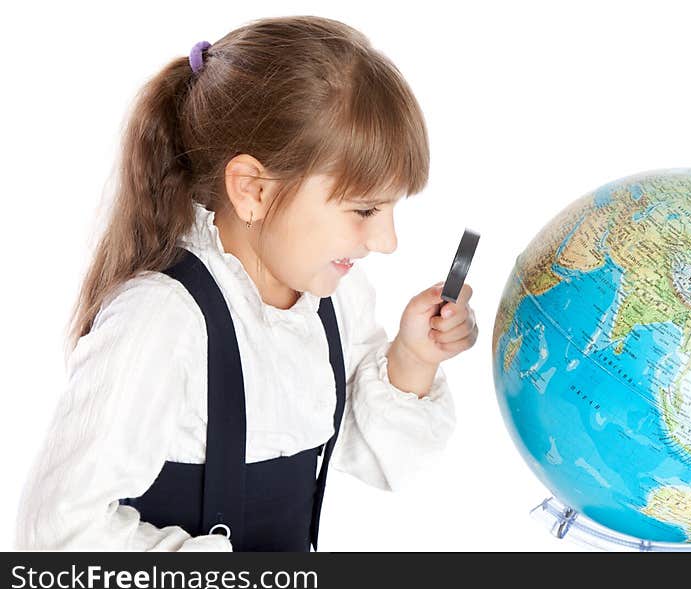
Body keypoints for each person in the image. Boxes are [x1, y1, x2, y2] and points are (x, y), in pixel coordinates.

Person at [14, 15, 477, 552]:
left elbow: (375, 454)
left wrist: (414, 359)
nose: (387, 241)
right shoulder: (162, 322)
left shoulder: (333, 300)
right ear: (252, 190)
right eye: (365, 209)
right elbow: (56, 534)